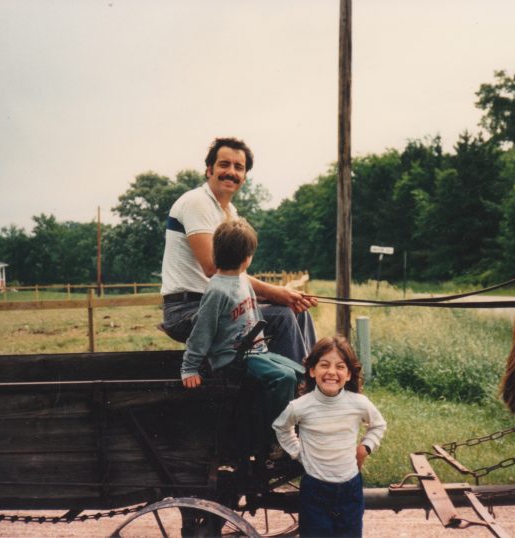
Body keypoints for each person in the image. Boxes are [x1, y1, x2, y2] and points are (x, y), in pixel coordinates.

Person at [161, 136, 317, 363]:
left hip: (221, 303)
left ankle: (313, 383)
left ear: (244, 177)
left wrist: (285, 297)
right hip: (188, 309)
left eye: (238, 167)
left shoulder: (229, 212)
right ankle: (296, 393)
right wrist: (275, 292)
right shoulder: (197, 202)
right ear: (209, 170)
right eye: (224, 165)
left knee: (296, 312)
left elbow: (234, 277)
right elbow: (214, 268)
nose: (231, 172)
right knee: (281, 317)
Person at [181, 218, 304, 447]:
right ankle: (274, 439)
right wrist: (189, 368)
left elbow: (254, 312)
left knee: (301, 372)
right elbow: (201, 331)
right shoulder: (217, 290)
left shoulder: (242, 280)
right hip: (233, 359)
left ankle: (295, 426)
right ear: (247, 258)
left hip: (257, 351)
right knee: (283, 378)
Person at [272, 336, 386, 538]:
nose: (332, 372)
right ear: (312, 370)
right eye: (324, 365)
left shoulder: (358, 403)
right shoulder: (300, 406)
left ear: (349, 374)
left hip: (350, 488)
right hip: (315, 490)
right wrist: (298, 453)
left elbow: (378, 425)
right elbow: (281, 426)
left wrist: (364, 448)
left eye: (340, 367)